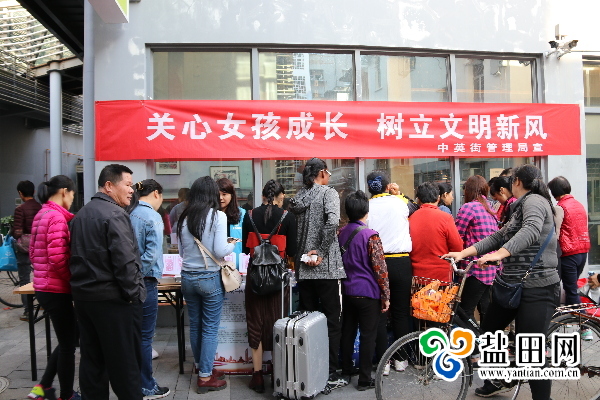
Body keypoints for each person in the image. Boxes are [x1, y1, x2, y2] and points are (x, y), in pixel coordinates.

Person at [444, 164, 559, 399]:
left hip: (537, 288)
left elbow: (531, 230)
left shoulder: (534, 201)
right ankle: (499, 379)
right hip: (512, 286)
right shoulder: (519, 206)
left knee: (530, 351)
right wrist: (464, 253)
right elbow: (498, 236)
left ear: (517, 182)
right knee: (489, 334)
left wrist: (499, 254)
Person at [70, 164, 146, 400]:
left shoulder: (81, 214)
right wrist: (135, 296)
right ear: (109, 185)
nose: (132, 190)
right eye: (128, 184)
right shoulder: (115, 214)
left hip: (85, 299)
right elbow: (125, 262)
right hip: (114, 300)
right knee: (125, 364)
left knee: (92, 361)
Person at [288, 158, 347, 390]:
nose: (329, 177)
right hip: (326, 268)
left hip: (304, 268)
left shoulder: (299, 198)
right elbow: (332, 222)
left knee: (306, 322)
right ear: (322, 173)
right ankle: (330, 372)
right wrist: (321, 251)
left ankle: (308, 371)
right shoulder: (328, 193)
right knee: (332, 321)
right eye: (328, 173)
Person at [177, 176, 234, 394]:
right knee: (210, 328)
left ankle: (203, 367)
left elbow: (181, 252)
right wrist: (231, 244)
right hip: (209, 278)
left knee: (195, 325)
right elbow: (220, 251)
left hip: (187, 277)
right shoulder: (218, 216)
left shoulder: (184, 217)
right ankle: (205, 377)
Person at [27, 176, 80, 400]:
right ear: (64, 191)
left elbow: (32, 253)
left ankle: (43, 387)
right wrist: (72, 281)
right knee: (69, 344)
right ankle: (66, 395)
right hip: (55, 288)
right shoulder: (57, 218)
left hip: (43, 286)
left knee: (68, 338)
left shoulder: (42, 214)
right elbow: (58, 258)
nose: (73, 199)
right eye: (73, 194)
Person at [242, 180, 296, 393]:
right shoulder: (287, 217)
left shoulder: (249, 215)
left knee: (255, 321)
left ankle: (257, 376)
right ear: (280, 197)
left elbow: (245, 250)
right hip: (278, 279)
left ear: (263, 196)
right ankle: (277, 373)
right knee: (277, 321)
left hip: (255, 277)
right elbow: (292, 250)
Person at [339, 190, 390, 391]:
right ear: (366, 212)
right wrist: (386, 295)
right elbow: (380, 269)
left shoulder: (341, 233)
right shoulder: (371, 235)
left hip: (347, 290)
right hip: (368, 292)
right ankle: (364, 379)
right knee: (368, 335)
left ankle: (346, 370)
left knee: (348, 331)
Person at [365, 171, 412, 374]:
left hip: (376, 263)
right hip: (401, 262)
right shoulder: (400, 202)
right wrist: (398, 193)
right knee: (401, 312)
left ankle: (383, 363)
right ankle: (401, 359)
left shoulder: (367, 206)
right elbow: (414, 208)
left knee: (380, 314)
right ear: (387, 186)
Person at [128, 180, 170, 399]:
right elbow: (152, 254)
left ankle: (133, 382)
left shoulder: (128, 212)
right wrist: (137, 274)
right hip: (145, 281)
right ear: (156, 193)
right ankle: (146, 385)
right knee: (145, 337)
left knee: (133, 335)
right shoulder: (152, 216)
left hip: (127, 282)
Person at [454, 175, 499, 324]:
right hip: (490, 268)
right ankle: (488, 337)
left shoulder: (469, 207)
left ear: (468, 190)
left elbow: (457, 236)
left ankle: (475, 338)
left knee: (464, 312)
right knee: (485, 310)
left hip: (475, 268)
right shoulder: (490, 207)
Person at [548, 176, 591, 306]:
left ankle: (580, 317)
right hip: (583, 251)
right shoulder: (579, 205)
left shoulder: (560, 207)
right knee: (572, 288)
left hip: (569, 253)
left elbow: (556, 233)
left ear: (554, 191)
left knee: (571, 290)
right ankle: (573, 315)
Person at [409, 182, 463, 283]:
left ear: (418, 199)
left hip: (416, 277)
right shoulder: (445, 218)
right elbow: (457, 248)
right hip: (441, 277)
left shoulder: (410, 218)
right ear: (438, 198)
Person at [12, 180, 42, 320]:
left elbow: (18, 231)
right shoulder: (40, 207)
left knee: (24, 279)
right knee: (41, 276)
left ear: (20, 193)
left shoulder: (20, 209)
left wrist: (14, 235)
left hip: (24, 249)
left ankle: (28, 311)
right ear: (34, 192)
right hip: (39, 247)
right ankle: (43, 304)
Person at [216, 178, 246, 270]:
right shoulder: (210, 215)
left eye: (224, 194)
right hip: (215, 266)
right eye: (217, 194)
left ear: (231, 195)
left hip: (237, 267)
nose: (220, 198)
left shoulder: (242, 214)